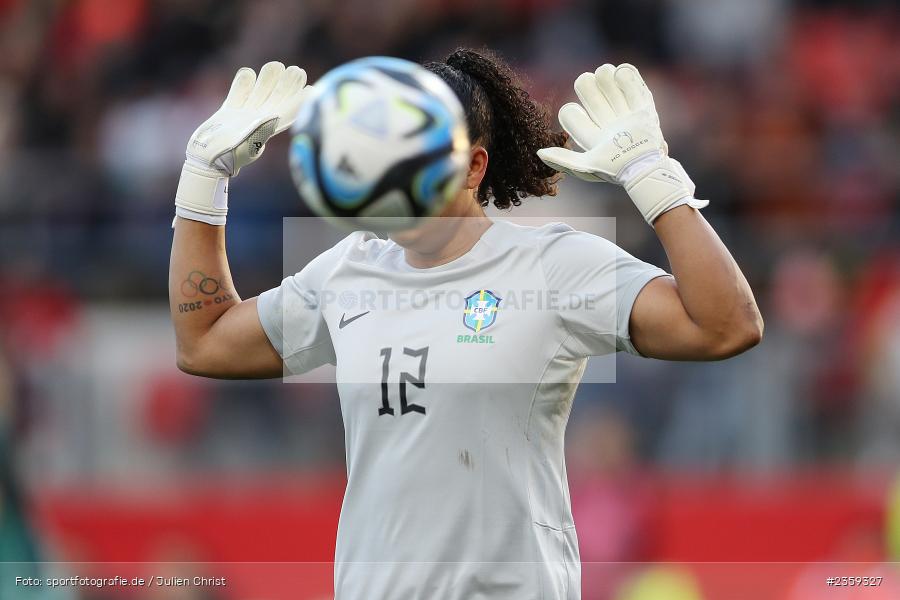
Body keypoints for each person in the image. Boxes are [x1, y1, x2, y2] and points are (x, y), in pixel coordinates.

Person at [168, 49, 762, 600]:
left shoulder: (552, 266)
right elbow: (206, 342)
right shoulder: (347, 272)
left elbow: (725, 326)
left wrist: (652, 177)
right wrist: (203, 177)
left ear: (473, 164)